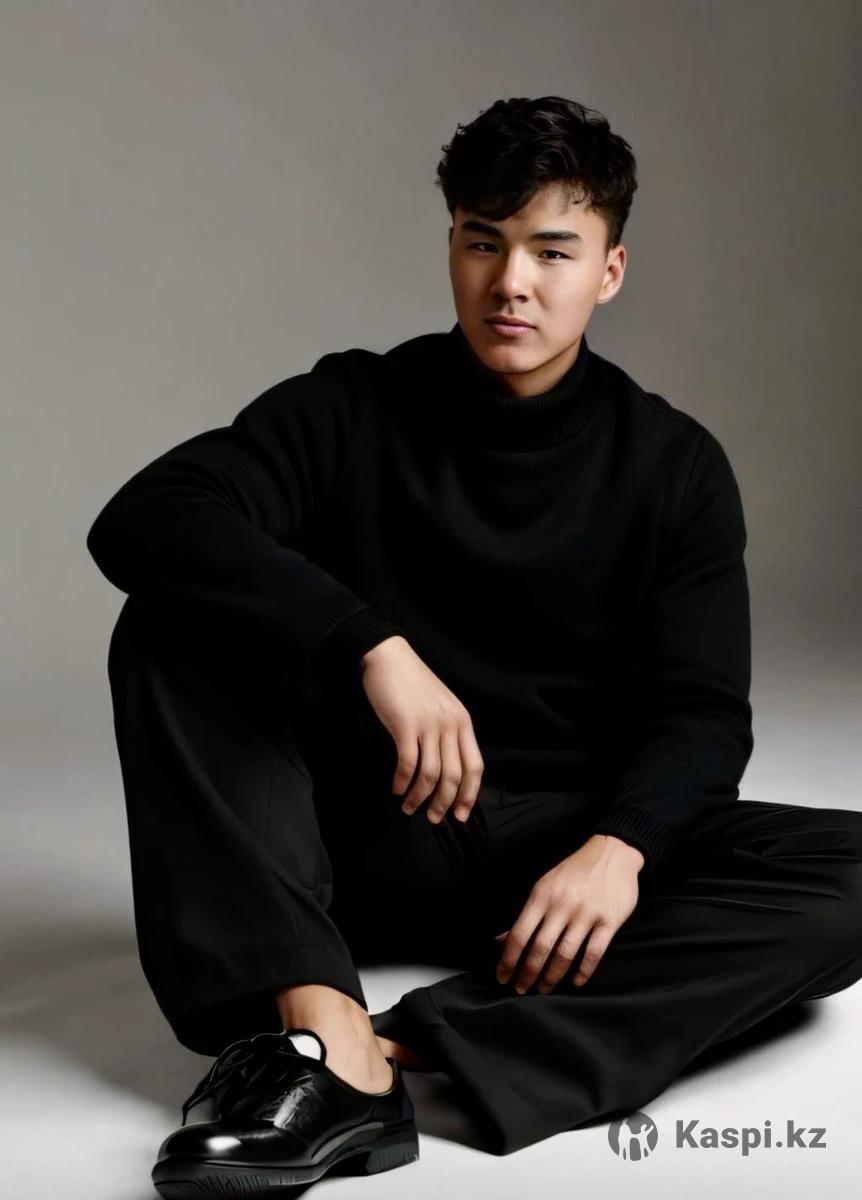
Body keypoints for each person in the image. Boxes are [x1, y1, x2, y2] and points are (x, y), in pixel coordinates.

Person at [87, 96, 862, 1197]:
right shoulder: (355, 405)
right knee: (176, 614)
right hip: (354, 833)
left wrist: (620, 849)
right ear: (451, 244)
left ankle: (418, 1041)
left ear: (609, 271)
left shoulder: (673, 464)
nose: (512, 284)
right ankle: (323, 1030)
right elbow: (147, 516)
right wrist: (371, 646)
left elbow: (701, 714)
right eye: (483, 242)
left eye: (553, 251)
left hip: (549, 862)